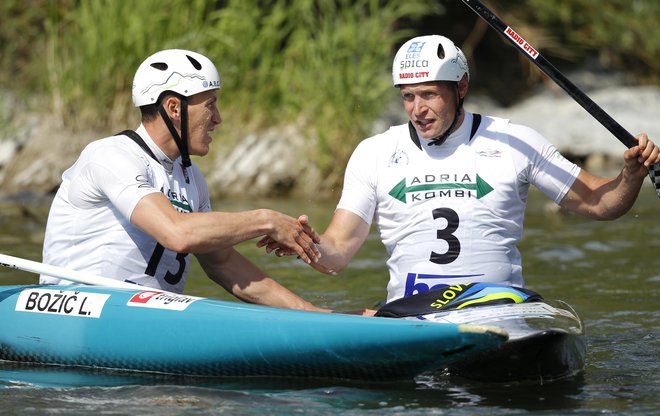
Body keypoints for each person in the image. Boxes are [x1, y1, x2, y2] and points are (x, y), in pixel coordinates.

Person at [258, 35, 660, 310]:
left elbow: (600, 204)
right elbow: (338, 255)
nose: (418, 109)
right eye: (409, 97)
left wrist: (630, 177)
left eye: (430, 94)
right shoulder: (374, 152)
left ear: (461, 86)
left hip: (500, 308)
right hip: (412, 316)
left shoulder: (515, 141)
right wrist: (307, 245)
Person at [40, 48, 328, 312]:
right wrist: (267, 220)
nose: (218, 119)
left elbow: (224, 264)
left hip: (146, 313)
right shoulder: (110, 156)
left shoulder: (191, 179)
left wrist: (315, 315)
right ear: (174, 108)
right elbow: (176, 233)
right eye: (210, 106)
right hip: (78, 307)